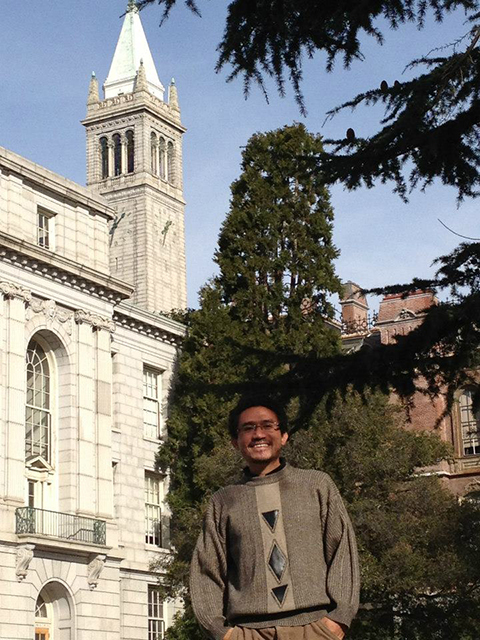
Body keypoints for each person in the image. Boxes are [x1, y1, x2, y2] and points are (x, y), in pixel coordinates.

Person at [190, 395, 360, 640]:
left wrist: (338, 621)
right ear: (235, 442)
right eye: (248, 428)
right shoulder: (224, 501)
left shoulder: (316, 485)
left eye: (268, 425)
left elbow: (342, 552)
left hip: (315, 629)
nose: (259, 434)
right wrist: (222, 633)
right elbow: (207, 570)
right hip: (248, 633)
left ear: (284, 436)